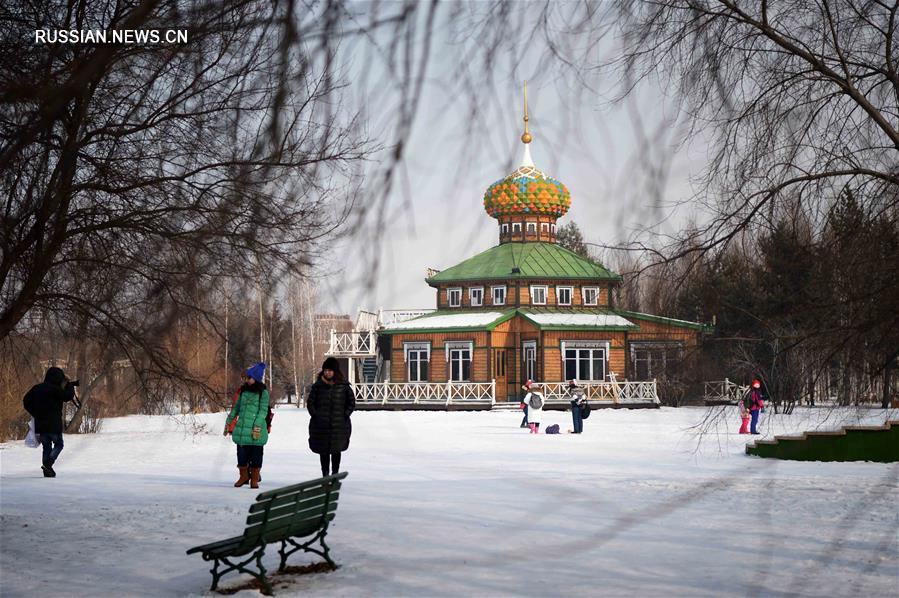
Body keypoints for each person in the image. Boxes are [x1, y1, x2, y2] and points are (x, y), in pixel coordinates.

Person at [22, 366, 77, 477]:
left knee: (46, 447)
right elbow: (68, 396)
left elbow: (26, 400)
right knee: (59, 444)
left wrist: (35, 412)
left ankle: (47, 471)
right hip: (54, 424)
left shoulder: (37, 388)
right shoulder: (56, 389)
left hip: (40, 424)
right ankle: (48, 464)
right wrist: (70, 385)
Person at [224, 362, 270, 489]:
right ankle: (243, 476)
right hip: (242, 428)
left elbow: (263, 410)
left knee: (256, 455)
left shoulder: (263, 393)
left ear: (255, 378)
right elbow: (236, 408)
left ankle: (254, 479)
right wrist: (229, 421)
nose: (247, 380)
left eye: (249, 378)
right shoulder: (243, 392)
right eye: (247, 378)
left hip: (256, 429)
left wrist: (257, 424)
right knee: (241, 454)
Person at [307, 357, 355, 477]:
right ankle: (325, 475)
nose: (327, 372)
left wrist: (345, 414)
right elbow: (310, 403)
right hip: (321, 425)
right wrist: (316, 415)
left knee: (336, 450)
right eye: (326, 370)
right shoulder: (317, 386)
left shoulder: (343, 386)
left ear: (335, 371)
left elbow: (351, 403)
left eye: (330, 370)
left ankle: (335, 475)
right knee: (323, 451)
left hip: (339, 425)